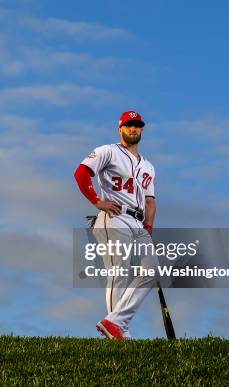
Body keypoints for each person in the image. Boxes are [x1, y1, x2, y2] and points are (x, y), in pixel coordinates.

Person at [73, 110, 158, 340]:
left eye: (137, 125)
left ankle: (115, 323)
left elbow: (150, 201)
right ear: (120, 128)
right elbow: (81, 173)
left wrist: (148, 227)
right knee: (118, 271)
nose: (133, 129)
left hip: (139, 222)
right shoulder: (107, 151)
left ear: (142, 129)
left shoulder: (149, 166)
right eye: (129, 125)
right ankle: (116, 330)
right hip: (115, 216)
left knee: (152, 271)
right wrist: (97, 201)